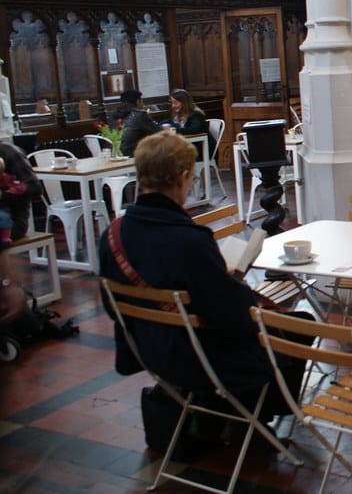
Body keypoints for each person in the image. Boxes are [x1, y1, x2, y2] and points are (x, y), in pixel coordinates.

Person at [97, 130, 300, 414]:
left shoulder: (112, 234)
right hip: (197, 357)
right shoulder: (189, 241)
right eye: (191, 178)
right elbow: (234, 315)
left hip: (147, 348)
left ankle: (230, 417)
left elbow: (112, 305)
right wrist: (232, 283)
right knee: (297, 329)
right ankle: (253, 418)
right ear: (182, 177)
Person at [0, 141, 43, 325]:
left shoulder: (8, 152)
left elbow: (35, 188)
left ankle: (10, 290)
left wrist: (4, 195)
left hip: (12, 221)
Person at [110, 89, 161, 157]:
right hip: (133, 155)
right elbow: (158, 132)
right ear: (137, 101)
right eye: (141, 100)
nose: (143, 104)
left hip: (115, 154)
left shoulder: (113, 116)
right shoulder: (139, 115)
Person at [166, 88, 214, 154]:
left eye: (176, 103)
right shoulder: (177, 115)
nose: (173, 106)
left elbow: (193, 129)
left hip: (201, 149)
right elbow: (166, 122)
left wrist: (174, 131)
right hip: (187, 148)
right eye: (172, 103)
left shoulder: (196, 114)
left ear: (184, 103)